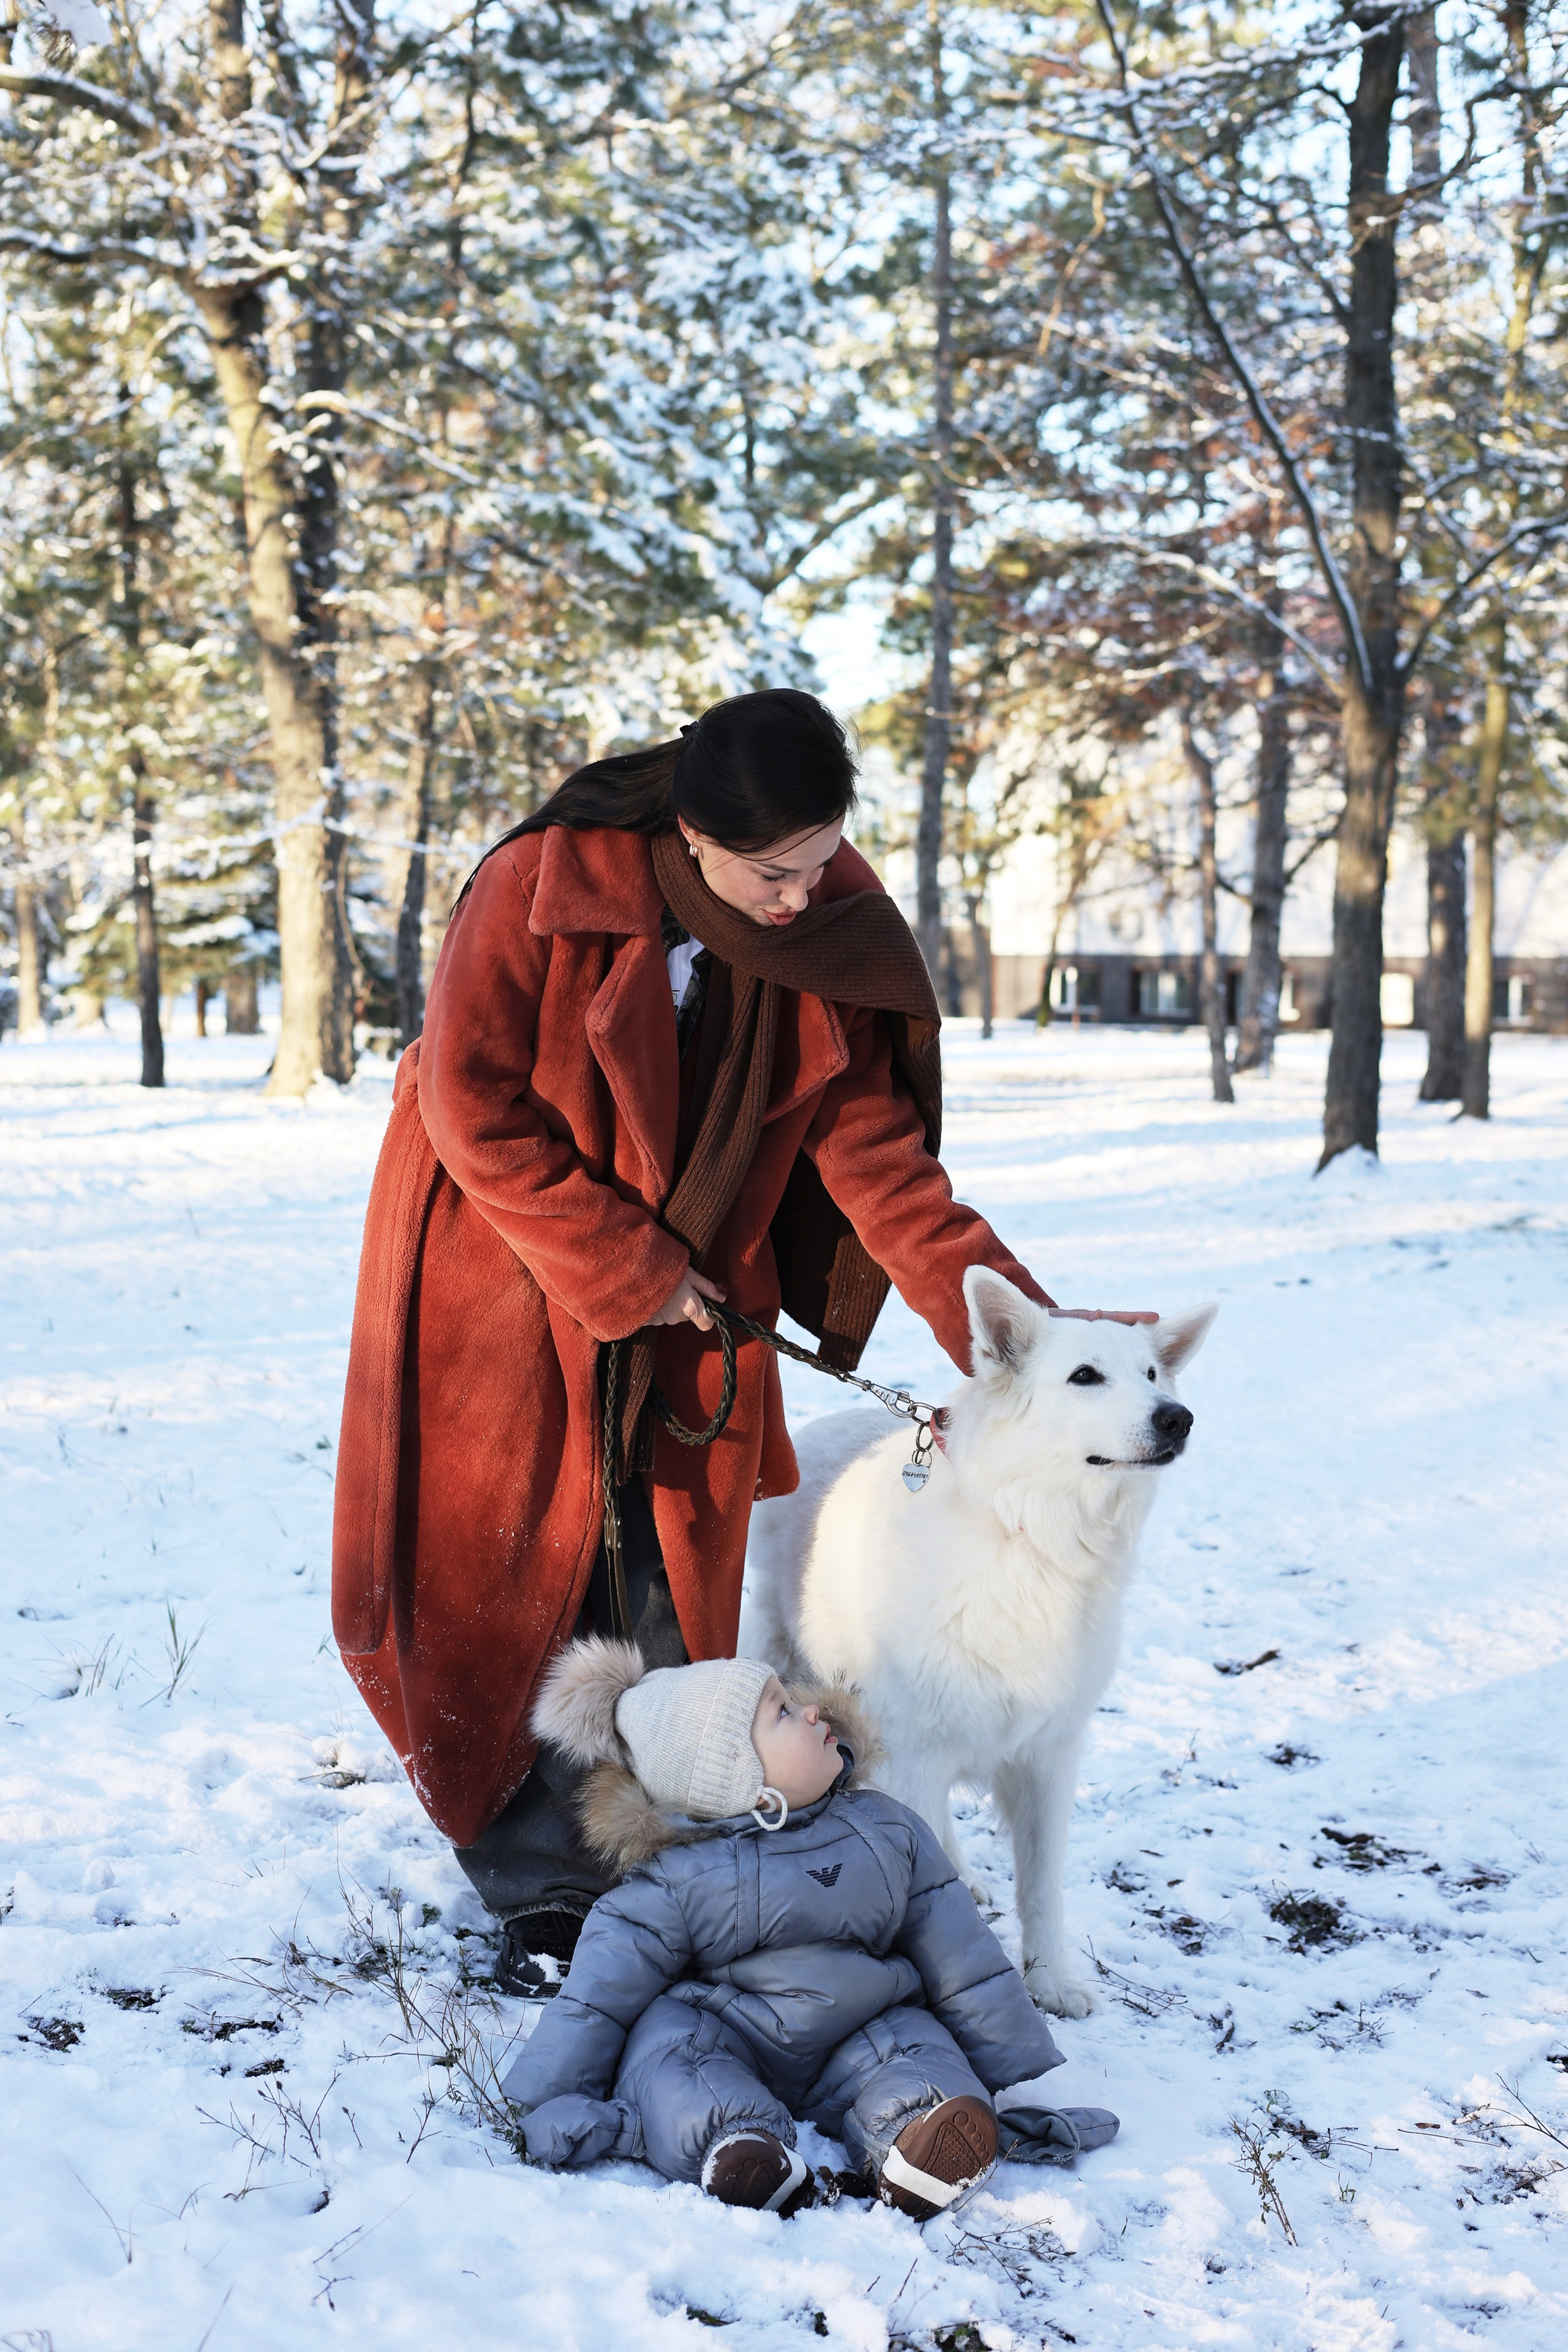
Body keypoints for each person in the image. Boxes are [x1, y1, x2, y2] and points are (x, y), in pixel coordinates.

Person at [331, 688, 1054, 1994]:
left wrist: (1023, 1338)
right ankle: (540, 1890)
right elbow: (466, 1096)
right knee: (510, 1579)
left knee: (666, 1575)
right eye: (770, 871)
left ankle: (664, 1854)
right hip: (500, 1255)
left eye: (821, 857)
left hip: (699, 1287)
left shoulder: (821, 913)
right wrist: (622, 1263)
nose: (800, 895)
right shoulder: (538, 884)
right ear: (689, 831)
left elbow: (882, 1163)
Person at [501, 1639, 1118, 2214]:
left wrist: (1003, 2058)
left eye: (793, 1700)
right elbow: (598, 1999)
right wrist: (545, 2095)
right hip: (729, 2033)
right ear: (740, 1782)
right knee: (667, 2053)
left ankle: (916, 2136)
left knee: (918, 2043)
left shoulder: (884, 1829)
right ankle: (738, 2147)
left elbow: (957, 1950)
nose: (813, 1711)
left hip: (860, 2030)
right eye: (783, 1715)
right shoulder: (678, 1879)